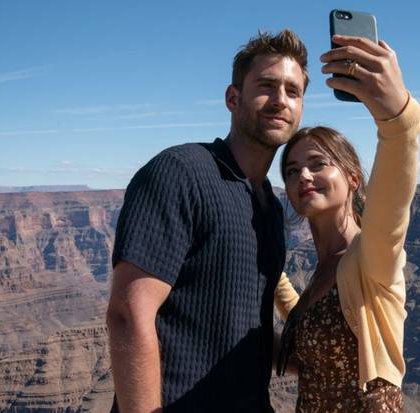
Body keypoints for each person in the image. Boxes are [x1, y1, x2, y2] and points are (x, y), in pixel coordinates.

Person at [106, 29, 308, 412]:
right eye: (266, 85)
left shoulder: (269, 206)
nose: (280, 100)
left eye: (293, 91)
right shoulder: (180, 173)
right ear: (233, 98)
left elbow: (249, 327)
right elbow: (128, 314)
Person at [275, 34, 420, 412]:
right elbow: (306, 323)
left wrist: (398, 120)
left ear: (353, 178)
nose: (303, 176)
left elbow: (392, 205)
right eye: (292, 171)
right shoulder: (325, 270)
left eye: (318, 164)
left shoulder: (371, 257)